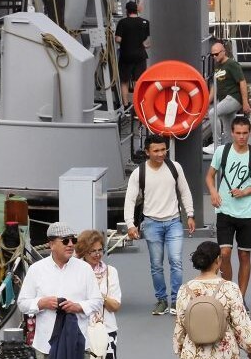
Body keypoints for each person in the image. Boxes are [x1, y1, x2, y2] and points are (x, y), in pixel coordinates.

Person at [124, 134, 196, 316]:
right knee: (156, 264)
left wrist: (190, 214)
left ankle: (176, 300)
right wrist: (130, 224)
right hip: (151, 223)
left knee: (176, 261)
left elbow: (185, 191)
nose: (161, 153)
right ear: (147, 152)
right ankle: (162, 300)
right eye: (156, 150)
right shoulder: (139, 173)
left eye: (163, 149)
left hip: (173, 221)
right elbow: (130, 200)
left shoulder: (174, 167)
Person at [18, 223, 103, 359]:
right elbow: (22, 303)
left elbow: (97, 301)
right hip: (45, 347)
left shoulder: (85, 269)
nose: (70, 244)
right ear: (51, 245)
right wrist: (42, 303)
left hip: (77, 344)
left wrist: (78, 307)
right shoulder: (36, 270)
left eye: (73, 240)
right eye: (65, 241)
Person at [205, 116, 251, 296]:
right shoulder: (222, 152)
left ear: (250, 133)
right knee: (224, 253)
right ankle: (229, 292)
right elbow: (210, 176)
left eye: (245, 133)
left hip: (247, 212)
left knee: (244, 255)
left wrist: (246, 192)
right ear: (232, 133)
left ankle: (240, 297)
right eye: (238, 133)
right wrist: (214, 192)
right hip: (224, 210)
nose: (242, 137)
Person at [173, 241, 251, 359]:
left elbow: (181, 325)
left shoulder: (185, 290)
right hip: (224, 353)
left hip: (193, 352)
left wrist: (180, 348)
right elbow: (241, 324)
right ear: (218, 260)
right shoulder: (229, 288)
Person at [75, 230, 122, 359]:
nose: (97, 254)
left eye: (100, 250)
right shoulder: (75, 273)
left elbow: (115, 306)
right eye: (92, 251)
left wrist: (98, 295)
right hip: (82, 331)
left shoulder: (111, 272)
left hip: (107, 330)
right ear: (84, 252)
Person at [204, 41, 251, 154]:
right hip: (224, 99)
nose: (214, 57)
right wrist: (205, 104)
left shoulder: (232, 64)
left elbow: (242, 82)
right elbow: (214, 87)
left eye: (216, 54)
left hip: (233, 97)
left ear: (223, 52)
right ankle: (230, 149)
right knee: (227, 125)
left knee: (213, 113)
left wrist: (245, 102)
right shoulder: (217, 66)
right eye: (212, 55)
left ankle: (217, 144)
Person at [115, 1, 150, 108]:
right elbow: (149, 39)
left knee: (124, 81)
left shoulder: (122, 22)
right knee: (138, 81)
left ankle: (126, 105)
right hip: (140, 55)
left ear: (127, 11)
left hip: (126, 56)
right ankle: (138, 106)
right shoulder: (145, 22)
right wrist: (145, 45)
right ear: (137, 10)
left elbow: (118, 39)